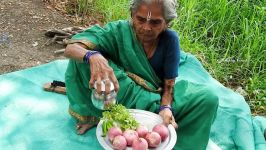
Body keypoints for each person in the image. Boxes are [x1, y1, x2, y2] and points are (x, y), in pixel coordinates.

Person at [64, 0, 218, 149]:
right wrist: (92, 57)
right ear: (132, 15)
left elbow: (169, 85)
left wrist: (165, 107)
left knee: (208, 99)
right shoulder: (118, 32)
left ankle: (156, 130)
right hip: (118, 95)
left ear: (167, 23)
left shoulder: (170, 40)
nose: (146, 27)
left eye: (155, 22)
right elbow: (71, 49)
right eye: (140, 19)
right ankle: (97, 115)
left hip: (152, 100)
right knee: (81, 60)